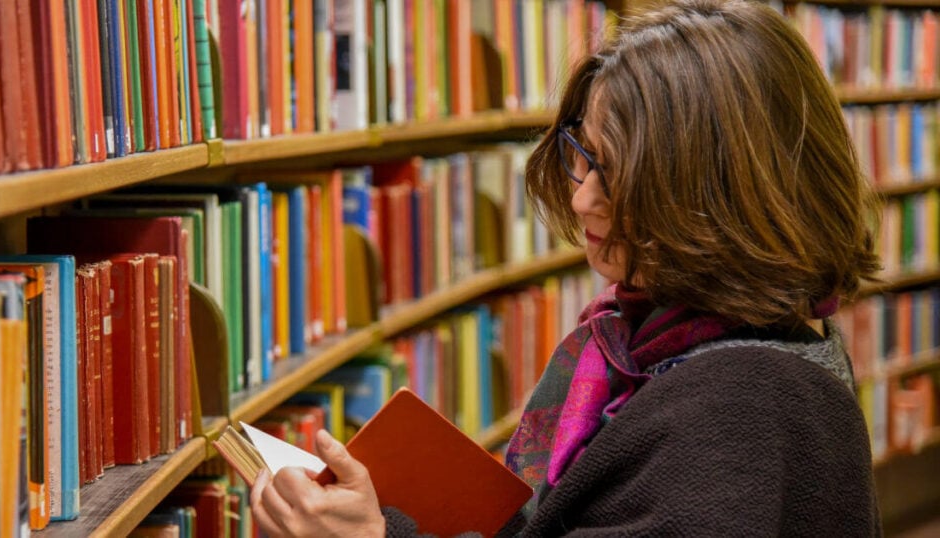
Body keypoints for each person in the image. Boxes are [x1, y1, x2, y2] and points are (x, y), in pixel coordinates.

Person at [249, 0, 883, 535]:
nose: (581, 197)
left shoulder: (734, 414)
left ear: (719, 192)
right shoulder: (651, 338)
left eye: (618, 174)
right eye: (584, 155)